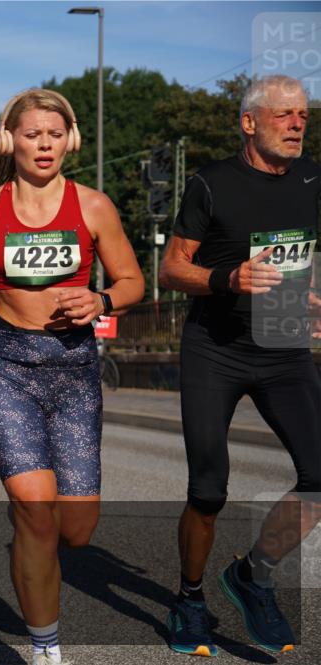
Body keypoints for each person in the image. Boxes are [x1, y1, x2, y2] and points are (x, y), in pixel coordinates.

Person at [0, 89, 144, 665]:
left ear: (71, 139)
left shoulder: (95, 206)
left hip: (76, 373)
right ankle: (46, 648)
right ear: (10, 140)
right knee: (36, 509)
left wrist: (101, 298)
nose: (45, 144)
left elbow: (133, 282)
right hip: (6, 367)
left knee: (75, 530)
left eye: (55, 133)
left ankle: (29, 523)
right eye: (32, 134)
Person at [158, 75, 320, 657]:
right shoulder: (211, 183)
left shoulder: (311, 179)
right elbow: (171, 270)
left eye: (302, 114)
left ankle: (253, 574)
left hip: (284, 348)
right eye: (283, 115)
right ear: (249, 122)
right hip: (215, 351)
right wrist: (226, 278)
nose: (298, 124)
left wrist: (308, 296)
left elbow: (304, 255)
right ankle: (190, 598)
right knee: (208, 490)